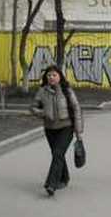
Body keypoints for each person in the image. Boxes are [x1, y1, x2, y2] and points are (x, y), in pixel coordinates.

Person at [30, 65, 83, 197]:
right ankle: (64, 178)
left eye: (54, 75)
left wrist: (78, 132)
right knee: (57, 154)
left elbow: (76, 108)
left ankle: (51, 184)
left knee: (58, 153)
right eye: (49, 75)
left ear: (59, 76)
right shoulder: (42, 91)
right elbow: (33, 108)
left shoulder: (67, 90)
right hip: (50, 129)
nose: (51, 77)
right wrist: (43, 113)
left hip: (66, 127)